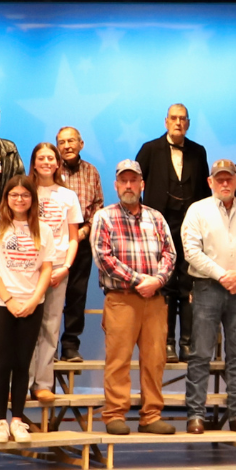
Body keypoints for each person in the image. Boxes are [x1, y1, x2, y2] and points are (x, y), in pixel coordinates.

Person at [92, 160, 178, 436]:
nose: (128, 186)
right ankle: (115, 414)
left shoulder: (157, 217)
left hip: (154, 298)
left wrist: (158, 280)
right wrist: (140, 280)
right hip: (122, 298)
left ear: (142, 184)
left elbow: (170, 254)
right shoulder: (104, 217)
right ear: (116, 186)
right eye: (123, 181)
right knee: (118, 360)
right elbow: (104, 258)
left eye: (133, 181)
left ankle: (151, 415)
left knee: (155, 359)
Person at [182, 159, 236, 435]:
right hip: (207, 287)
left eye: (229, 179)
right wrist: (223, 275)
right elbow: (191, 251)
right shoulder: (197, 210)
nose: (225, 183)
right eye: (219, 179)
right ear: (210, 182)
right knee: (201, 353)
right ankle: (195, 414)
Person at [0, 177, 54, 443]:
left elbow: (46, 268)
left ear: (33, 199)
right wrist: (9, 299)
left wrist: (34, 300)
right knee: (4, 362)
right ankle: (0, 421)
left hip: (32, 302)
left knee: (23, 364)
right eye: (14, 194)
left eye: (25, 195)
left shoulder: (44, 230)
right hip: (0, 303)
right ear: (7, 197)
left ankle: (18, 420)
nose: (19, 199)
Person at [134, 103, 209, 363]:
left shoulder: (198, 152)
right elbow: (135, 184)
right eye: (173, 118)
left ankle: (187, 344)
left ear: (188, 123)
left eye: (183, 119)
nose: (178, 122)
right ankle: (167, 343)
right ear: (165, 121)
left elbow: (204, 192)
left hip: (190, 226)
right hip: (158, 226)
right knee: (163, 283)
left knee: (188, 283)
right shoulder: (149, 149)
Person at [25, 143, 85, 408]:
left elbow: (74, 238)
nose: (47, 162)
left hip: (58, 270)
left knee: (50, 327)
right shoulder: (24, 191)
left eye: (51, 158)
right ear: (34, 163)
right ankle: (23, 383)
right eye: (41, 158)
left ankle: (43, 385)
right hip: (27, 271)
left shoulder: (68, 196)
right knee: (27, 329)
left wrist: (66, 267)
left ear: (57, 164)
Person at [54, 127, 104, 362]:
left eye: (71, 141)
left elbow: (97, 206)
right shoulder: (50, 169)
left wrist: (84, 230)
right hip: (52, 241)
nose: (67, 146)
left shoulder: (91, 172)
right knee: (49, 292)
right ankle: (47, 346)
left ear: (81, 144)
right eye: (62, 142)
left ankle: (70, 345)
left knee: (76, 294)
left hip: (82, 239)